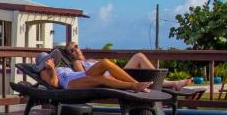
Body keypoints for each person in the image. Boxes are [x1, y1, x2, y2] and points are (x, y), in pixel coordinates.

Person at [60, 42, 192, 90]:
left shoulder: (91, 59)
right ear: (70, 56)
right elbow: (86, 77)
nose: (76, 50)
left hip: (114, 73)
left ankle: (164, 81)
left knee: (139, 56)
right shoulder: (77, 63)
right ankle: (173, 83)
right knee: (106, 62)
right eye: (72, 50)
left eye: (76, 46)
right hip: (109, 78)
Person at [35, 50, 152, 92]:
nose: (51, 60)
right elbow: (55, 84)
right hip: (70, 84)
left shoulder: (56, 68)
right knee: (103, 79)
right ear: (43, 64)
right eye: (48, 59)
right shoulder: (44, 72)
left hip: (79, 76)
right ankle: (133, 86)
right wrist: (51, 69)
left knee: (105, 62)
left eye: (51, 58)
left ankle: (136, 84)